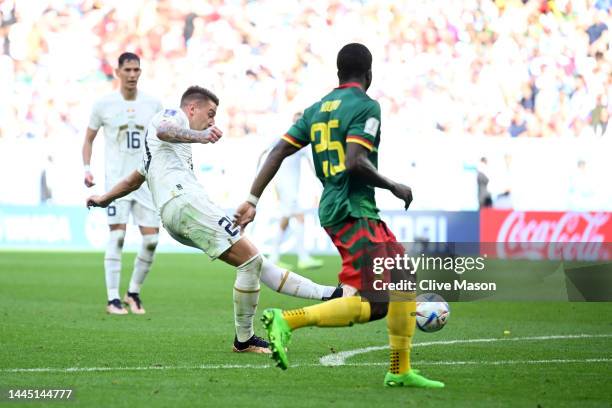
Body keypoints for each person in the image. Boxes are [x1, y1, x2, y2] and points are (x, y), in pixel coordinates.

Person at [234, 43, 444, 388]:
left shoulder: (317, 109)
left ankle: (400, 369)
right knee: (374, 304)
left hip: (352, 209)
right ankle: (287, 321)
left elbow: (278, 151)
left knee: (404, 276)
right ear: (369, 74)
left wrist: (252, 198)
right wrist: (394, 185)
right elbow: (354, 161)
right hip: (350, 209)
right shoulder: (365, 106)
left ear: (338, 73)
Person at [86, 86, 343, 353]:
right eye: (210, 114)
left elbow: (134, 178)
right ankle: (244, 339)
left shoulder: (161, 152)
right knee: (252, 262)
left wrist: (105, 198)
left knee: (253, 263)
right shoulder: (171, 115)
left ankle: (330, 295)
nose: (212, 121)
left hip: (175, 213)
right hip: (185, 203)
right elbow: (165, 129)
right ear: (192, 108)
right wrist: (200, 135)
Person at [83, 52, 163, 315]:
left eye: (136, 70)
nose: (132, 75)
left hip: (145, 182)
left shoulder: (153, 104)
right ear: (117, 72)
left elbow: (162, 140)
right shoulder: (103, 104)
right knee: (117, 236)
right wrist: (87, 169)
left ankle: (134, 293)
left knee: (151, 241)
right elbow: (89, 139)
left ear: (141, 72)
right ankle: (112, 298)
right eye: (127, 70)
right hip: (116, 182)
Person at [261, 112, 323, 270]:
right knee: (300, 217)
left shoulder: (303, 141)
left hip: (290, 187)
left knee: (285, 220)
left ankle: (274, 257)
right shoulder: (284, 137)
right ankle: (303, 258)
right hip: (285, 187)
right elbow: (267, 153)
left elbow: (311, 163)